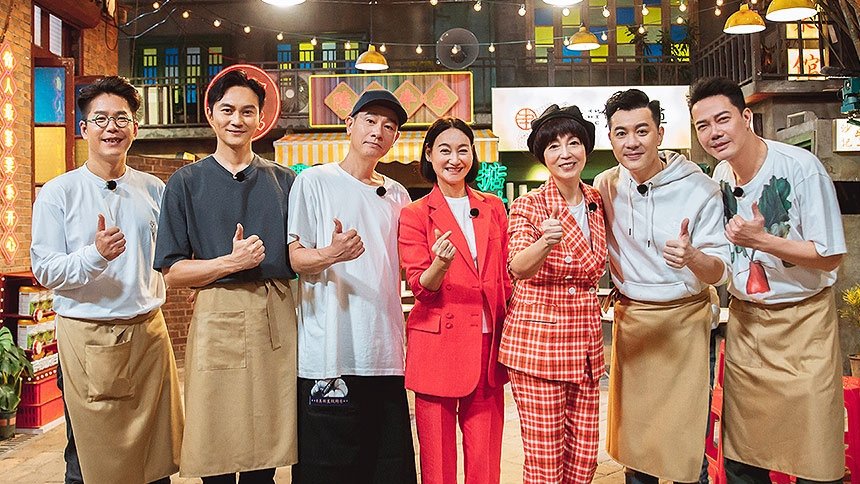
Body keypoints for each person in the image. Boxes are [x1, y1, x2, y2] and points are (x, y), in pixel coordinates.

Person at [689, 76, 846, 483]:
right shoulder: (721, 175)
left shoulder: (800, 168)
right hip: (747, 324)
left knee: (815, 451)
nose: (713, 132)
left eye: (722, 119)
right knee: (743, 454)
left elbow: (830, 255)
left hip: (805, 323)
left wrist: (763, 240)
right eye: (703, 125)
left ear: (746, 117)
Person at [30, 76, 183, 484]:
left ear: (135, 128)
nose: (111, 127)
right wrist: (95, 256)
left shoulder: (155, 190)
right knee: (87, 458)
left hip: (149, 335)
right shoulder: (58, 193)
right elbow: (45, 270)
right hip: (86, 336)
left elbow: (171, 258)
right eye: (100, 119)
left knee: (154, 458)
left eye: (121, 118)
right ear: (85, 129)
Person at [153, 69, 297, 483]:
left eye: (248, 111)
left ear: (261, 119)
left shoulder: (284, 181)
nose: (237, 119)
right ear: (211, 114)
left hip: (274, 313)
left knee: (266, 448)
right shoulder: (186, 182)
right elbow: (172, 271)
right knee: (215, 445)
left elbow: (298, 253)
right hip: (216, 313)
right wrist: (229, 263)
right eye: (228, 110)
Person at [594, 89, 730, 484]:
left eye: (642, 131)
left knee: (687, 441)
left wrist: (692, 257)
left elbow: (720, 271)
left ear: (660, 134)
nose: (631, 142)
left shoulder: (700, 189)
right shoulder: (606, 185)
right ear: (611, 138)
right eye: (621, 133)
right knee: (638, 447)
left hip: (686, 323)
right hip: (633, 322)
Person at [287, 89, 418, 484]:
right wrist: (332, 253)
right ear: (349, 125)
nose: (378, 131)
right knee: (327, 470)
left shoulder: (398, 194)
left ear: (395, 138)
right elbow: (295, 259)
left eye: (389, 126)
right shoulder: (314, 181)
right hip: (329, 353)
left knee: (387, 467)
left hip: (384, 352)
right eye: (369, 120)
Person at [398, 117, 512, 484]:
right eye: (444, 150)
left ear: (473, 155)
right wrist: (440, 264)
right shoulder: (414, 214)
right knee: (437, 464)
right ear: (429, 154)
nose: (454, 159)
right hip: (437, 348)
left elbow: (506, 276)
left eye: (463, 150)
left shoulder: (493, 207)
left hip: (487, 345)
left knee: (485, 461)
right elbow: (421, 287)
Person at [499, 104, 607, 483]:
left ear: (586, 148)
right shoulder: (529, 205)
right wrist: (545, 242)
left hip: (586, 348)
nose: (565, 153)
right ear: (543, 156)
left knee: (584, 459)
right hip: (538, 347)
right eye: (554, 146)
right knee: (546, 463)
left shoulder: (596, 201)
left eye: (573, 143)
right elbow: (517, 266)